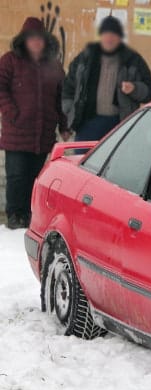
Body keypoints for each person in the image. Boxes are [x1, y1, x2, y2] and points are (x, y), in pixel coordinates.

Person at [0, 17, 69, 230]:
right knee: (17, 176)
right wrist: (12, 113)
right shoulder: (10, 60)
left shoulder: (54, 65)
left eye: (39, 38)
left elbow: (62, 98)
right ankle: (15, 215)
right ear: (24, 40)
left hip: (43, 134)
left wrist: (64, 125)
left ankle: (30, 216)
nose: (35, 42)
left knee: (36, 177)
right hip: (17, 132)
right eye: (31, 38)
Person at [62, 15, 151, 141]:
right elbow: (68, 89)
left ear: (119, 37)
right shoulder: (85, 58)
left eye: (114, 35)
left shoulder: (132, 60)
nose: (109, 38)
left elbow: (150, 91)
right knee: (83, 159)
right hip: (87, 125)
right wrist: (68, 119)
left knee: (115, 161)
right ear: (100, 36)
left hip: (120, 126)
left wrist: (135, 88)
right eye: (106, 34)